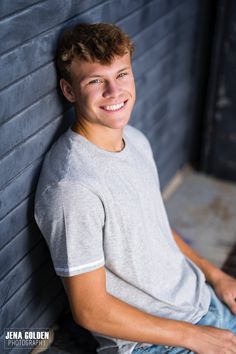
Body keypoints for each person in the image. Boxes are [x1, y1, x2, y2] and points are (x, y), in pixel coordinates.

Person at [34, 23, 236, 354]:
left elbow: (156, 230)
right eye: (96, 81)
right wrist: (195, 337)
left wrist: (216, 276)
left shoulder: (137, 140)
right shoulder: (71, 186)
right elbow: (90, 310)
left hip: (203, 301)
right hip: (154, 343)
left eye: (122, 74)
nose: (115, 92)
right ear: (69, 91)